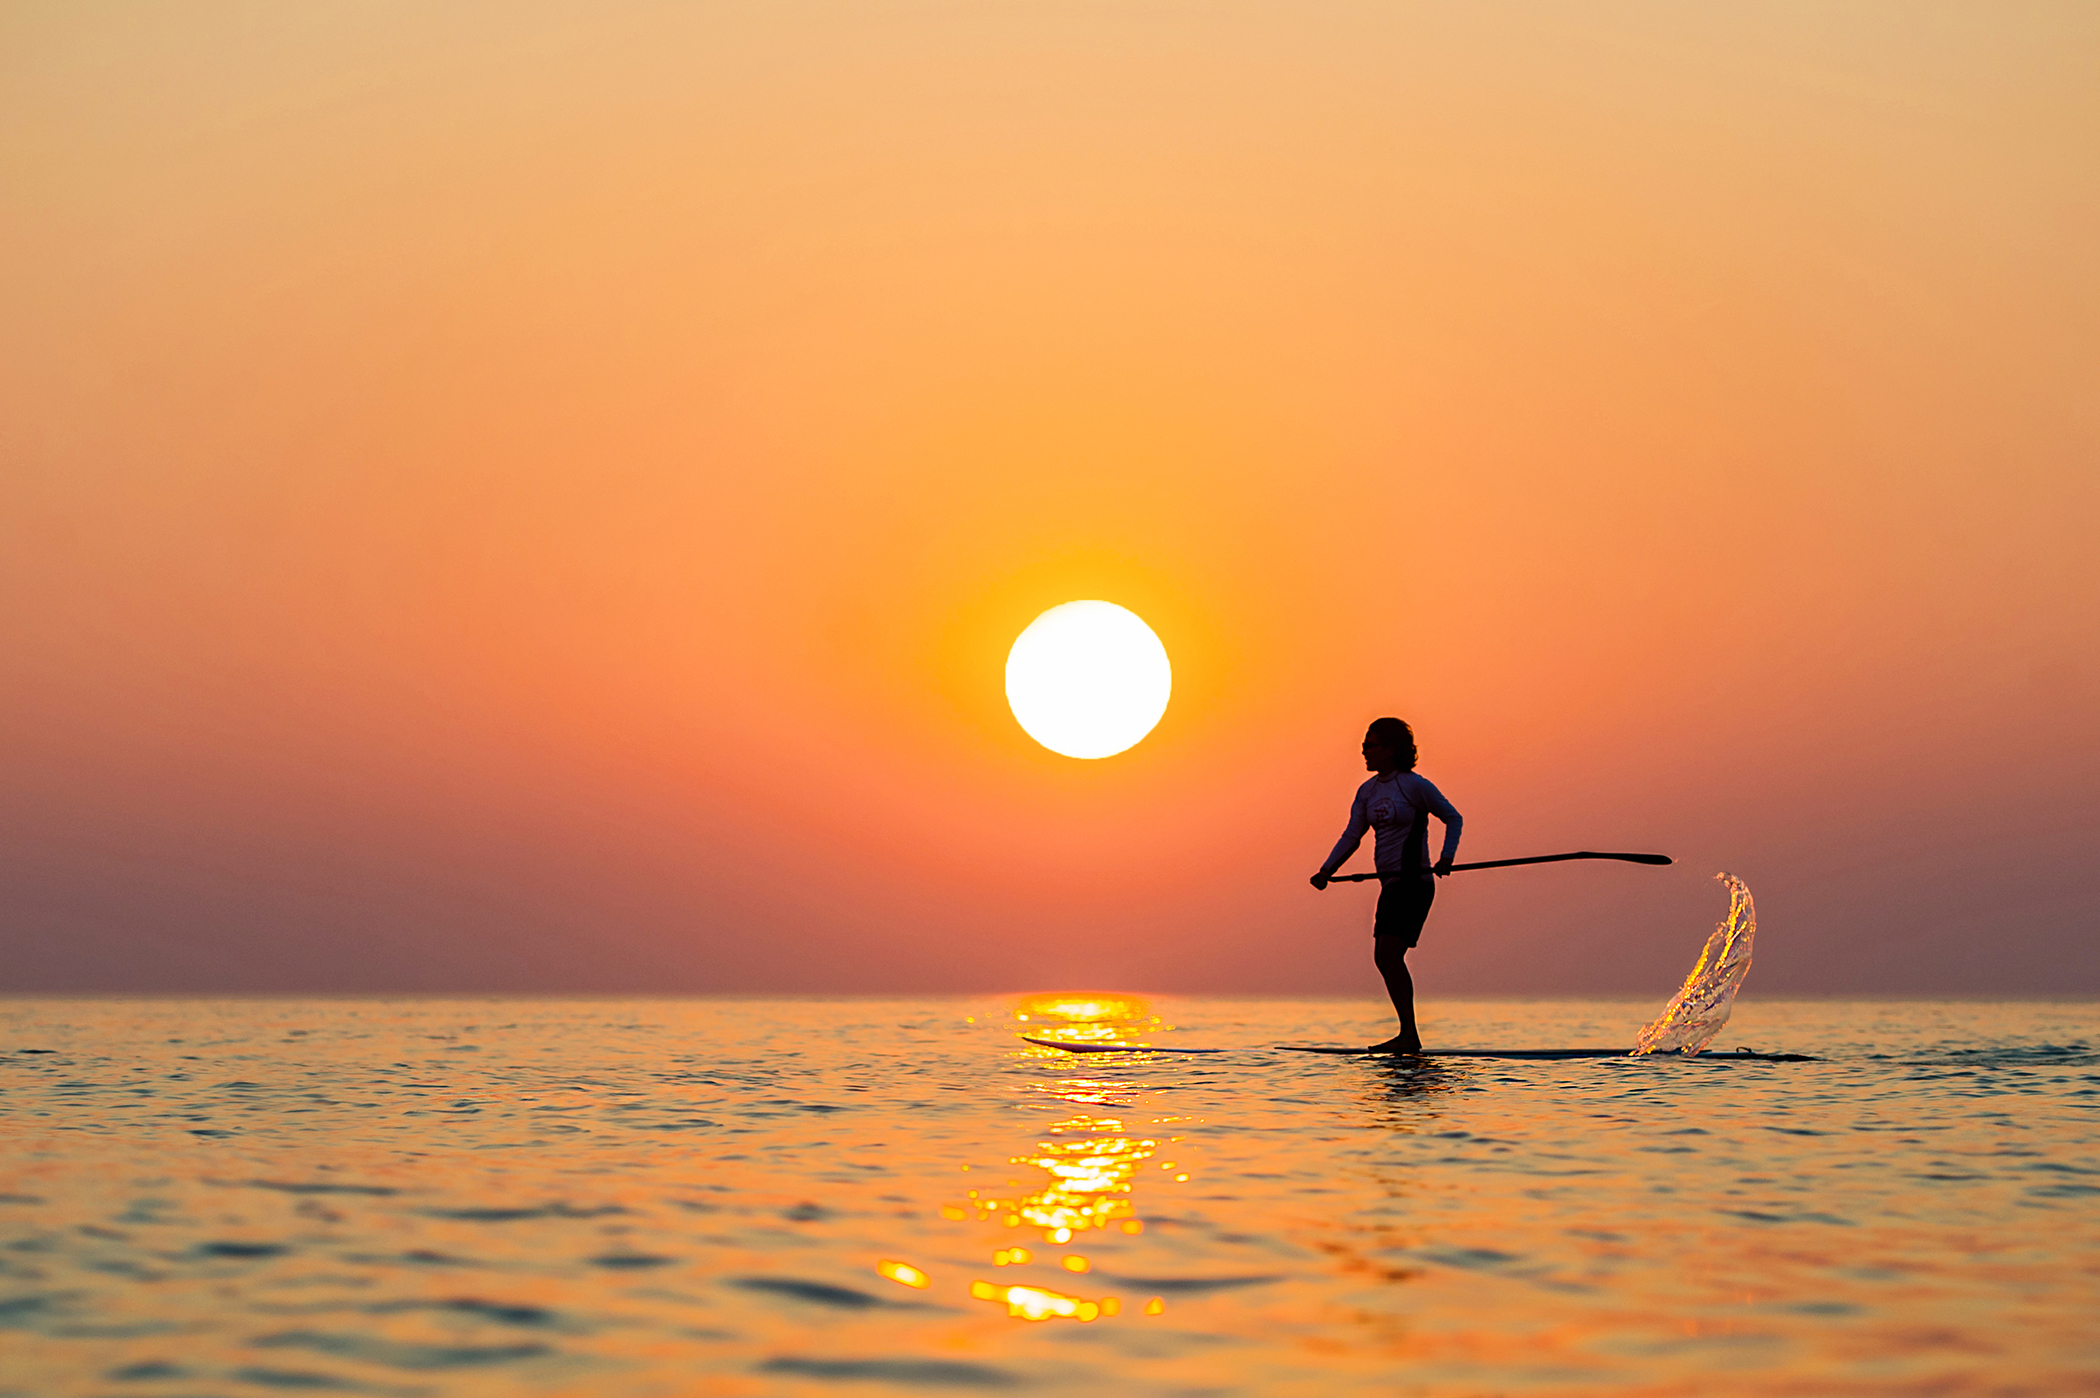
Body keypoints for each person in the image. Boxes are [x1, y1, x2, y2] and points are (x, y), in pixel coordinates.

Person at [1310, 717, 1462, 1053]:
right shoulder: (1367, 792)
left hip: (1415, 884)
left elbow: (1453, 817)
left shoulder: (1414, 786)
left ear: (1391, 749)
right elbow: (1352, 835)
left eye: (1371, 745)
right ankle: (1408, 1034)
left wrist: (1446, 857)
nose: (1364, 751)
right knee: (1385, 957)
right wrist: (1326, 870)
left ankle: (1409, 1035)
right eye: (1365, 745)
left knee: (1387, 954)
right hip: (1391, 887)